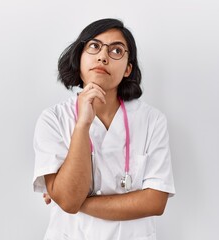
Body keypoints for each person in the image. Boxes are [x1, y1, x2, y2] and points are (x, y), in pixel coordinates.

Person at [33, 18, 175, 240]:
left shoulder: (152, 120)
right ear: (79, 59)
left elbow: (155, 202)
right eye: (94, 46)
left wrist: (73, 200)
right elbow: (68, 200)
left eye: (116, 50)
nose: (102, 56)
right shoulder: (53, 119)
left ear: (128, 68)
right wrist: (82, 126)